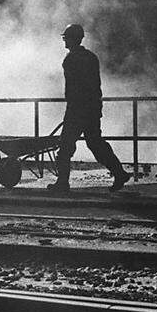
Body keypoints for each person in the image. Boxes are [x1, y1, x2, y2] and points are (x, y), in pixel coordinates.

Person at [49, 24, 131, 192]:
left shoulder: (70, 59)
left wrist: (71, 110)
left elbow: (72, 89)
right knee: (96, 143)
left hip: (77, 109)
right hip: (92, 108)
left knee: (65, 146)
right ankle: (119, 172)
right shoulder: (91, 57)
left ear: (73, 39)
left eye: (66, 38)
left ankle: (62, 183)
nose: (65, 41)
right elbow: (95, 85)